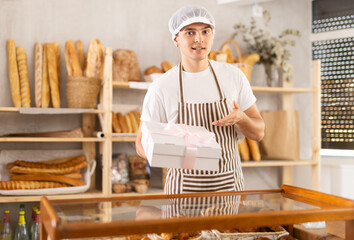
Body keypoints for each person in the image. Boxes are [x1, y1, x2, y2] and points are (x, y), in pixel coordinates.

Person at [136, 5, 265, 195]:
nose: (199, 39)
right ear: (175, 39)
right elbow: (141, 143)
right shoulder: (161, 87)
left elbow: (259, 132)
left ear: (212, 35)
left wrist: (242, 119)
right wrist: (172, 155)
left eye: (205, 31)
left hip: (228, 191)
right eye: (190, 32)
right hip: (183, 195)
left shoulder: (233, 77)